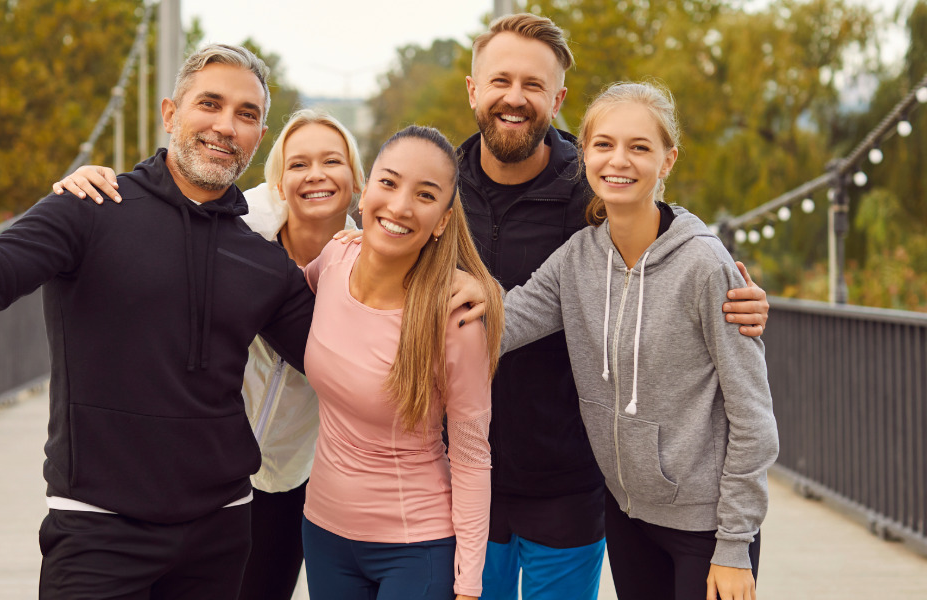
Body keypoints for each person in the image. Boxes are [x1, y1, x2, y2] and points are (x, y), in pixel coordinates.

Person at [0, 44, 316, 600]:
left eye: (246, 114)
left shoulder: (262, 261)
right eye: (209, 104)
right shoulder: (90, 206)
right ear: (170, 114)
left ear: (258, 137)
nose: (225, 125)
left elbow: (340, 353)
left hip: (221, 532)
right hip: (98, 529)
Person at [457, 14, 770, 600]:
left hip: (679, 517)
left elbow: (754, 421)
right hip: (620, 509)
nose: (617, 161)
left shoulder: (699, 262)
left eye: (638, 148)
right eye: (604, 145)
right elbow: (506, 321)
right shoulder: (572, 254)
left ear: (668, 160)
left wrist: (735, 544)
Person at [55, 107, 365, 600]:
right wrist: (99, 190)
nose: (315, 175)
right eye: (298, 163)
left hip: (296, 478)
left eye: (333, 161)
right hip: (209, 476)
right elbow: (166, 204)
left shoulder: (374, 263)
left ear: (357, 182)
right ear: (279, 180)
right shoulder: (236, 228)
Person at [299, 125, 503, 600]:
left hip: (416, 549)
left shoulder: (456, 319)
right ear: (365, 189)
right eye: (388, 183)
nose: (399, 206)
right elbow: (263, 280)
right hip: (323, 532)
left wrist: (469, 585)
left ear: (442, 221)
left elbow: (472, 458)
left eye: (425, 195)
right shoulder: (333, 259)